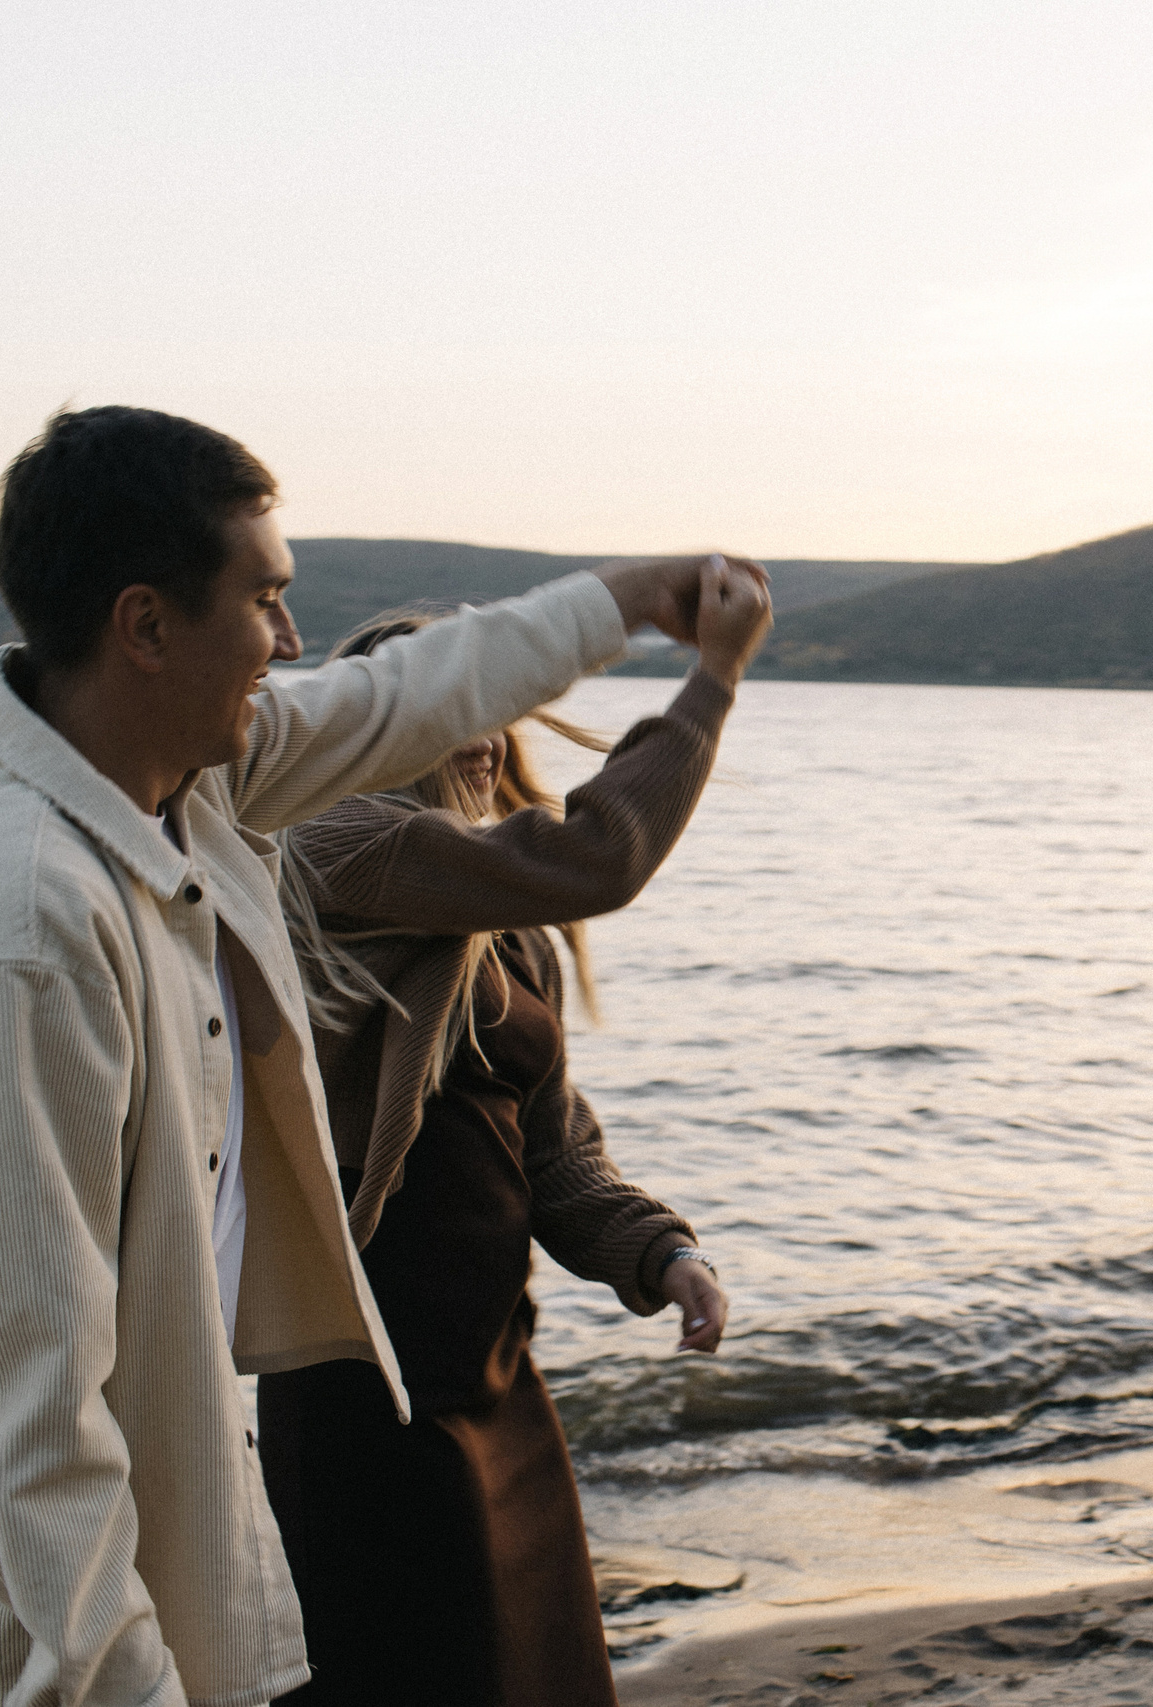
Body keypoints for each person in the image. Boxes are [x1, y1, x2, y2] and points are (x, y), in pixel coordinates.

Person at [0, 404, 752, 1707]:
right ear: (146, 626)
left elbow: (404, 692)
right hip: (16, 1646)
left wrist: (631, 600)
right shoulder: (17, 931)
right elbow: (21, 1427)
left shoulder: (180, 783)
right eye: (265, 600)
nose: (296, 642)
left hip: (154, 1554)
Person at [256, 580, 766, 1707]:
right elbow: (597, 854)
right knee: (389, 1674)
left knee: (530, 1674)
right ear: (371, 733)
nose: (488, 736)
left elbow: (552, 1153)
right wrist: (712, 676)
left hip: (492, 1366)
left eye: (495, 710)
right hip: (360, 1371)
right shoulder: (331, 848)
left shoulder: (506, 933)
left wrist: (659, 1253)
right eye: (457, 708)